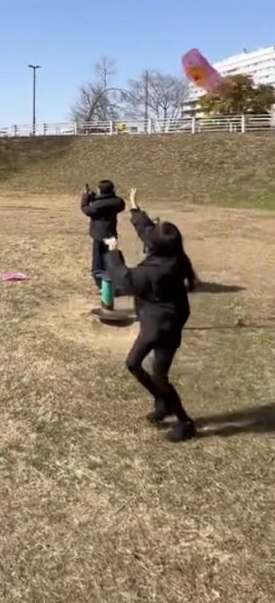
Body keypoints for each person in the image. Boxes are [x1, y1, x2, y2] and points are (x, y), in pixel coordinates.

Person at [104, 189, 196, 443]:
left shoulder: (154, 272)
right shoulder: (175, 255)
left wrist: (113, 252)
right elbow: (148, 232)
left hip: (159, 326)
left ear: (155, 247)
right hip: (170, 319)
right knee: (155, 371)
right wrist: (135, 208)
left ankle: (184, 420)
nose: (148, 236)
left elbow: (124, 279)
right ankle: (162, 402)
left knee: (138, 366)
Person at [81, 179, 125, 290]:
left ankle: (101, 286)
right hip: (111, 234)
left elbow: (86, 209)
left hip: (99, 236)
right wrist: (95, 196)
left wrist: (85, 197)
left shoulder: (98, 205)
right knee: (112, 259)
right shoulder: (117, 202)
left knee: (98, 263)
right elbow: (115, 202)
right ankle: (115, 282)